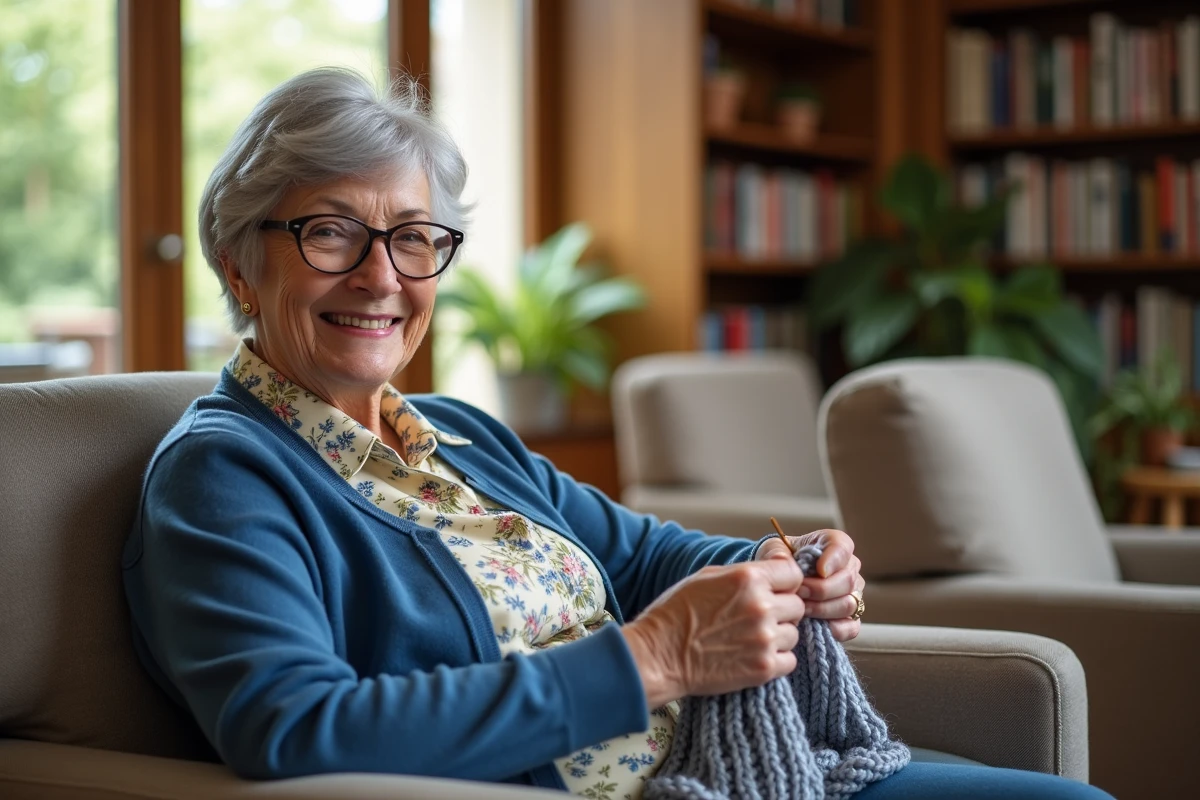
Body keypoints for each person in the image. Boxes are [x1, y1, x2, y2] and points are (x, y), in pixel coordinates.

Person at [122, 68, 1112, 800]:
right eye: (331, 231)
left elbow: (649, 555)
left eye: (415, 237)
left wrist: (782, 564)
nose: (383, 275)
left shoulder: (457, 434)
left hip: (732, 765)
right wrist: (653, 660)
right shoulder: (226, 473)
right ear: (241, 261)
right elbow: (294, 728)